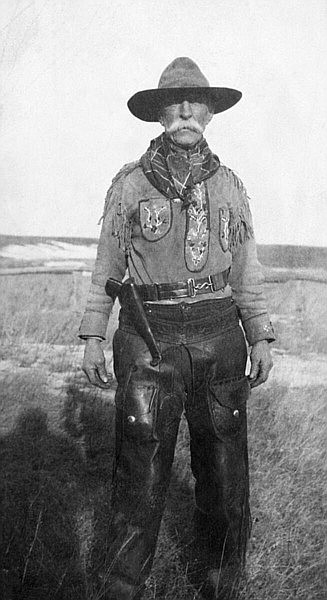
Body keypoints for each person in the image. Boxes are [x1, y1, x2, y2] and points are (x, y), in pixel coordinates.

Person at [80, 57, 275, 600]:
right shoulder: (130, 185)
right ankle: (124, 585)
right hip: (148, 339)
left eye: (197, 103)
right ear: (160, 114)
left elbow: (246, 269)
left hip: (220, 338)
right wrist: (94, 333)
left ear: (210, 114)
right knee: (140, 470)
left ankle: (220, 581)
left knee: (223, 470)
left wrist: (258, 332)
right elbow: (107, 266)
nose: (187, 112)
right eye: (175, 103)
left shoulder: (231, 187)